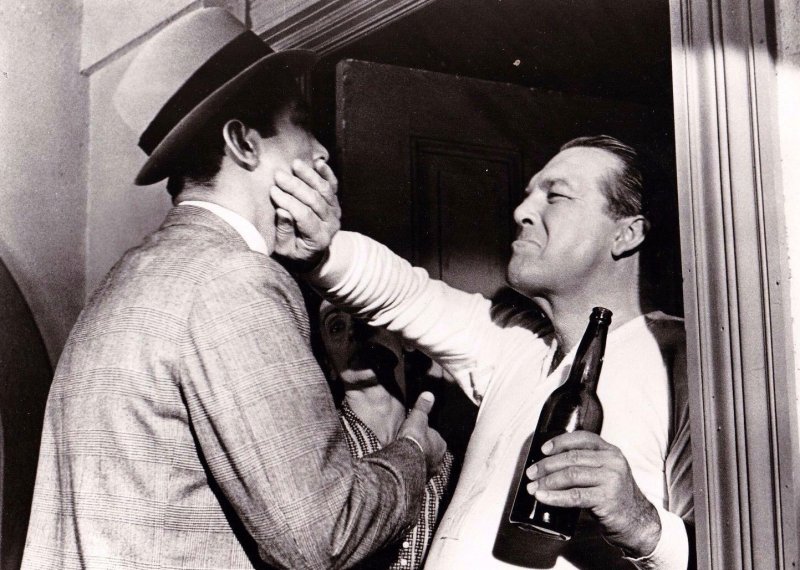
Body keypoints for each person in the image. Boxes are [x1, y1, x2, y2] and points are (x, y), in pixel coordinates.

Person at [20, 8, 445, 570]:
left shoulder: (128, 283)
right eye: (302, 123)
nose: (321, 151)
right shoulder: (234, 280)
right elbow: (325, 536)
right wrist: (415, 452)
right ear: (243, 143)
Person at [290, 135, 693, 568]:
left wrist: (643, 526)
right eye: (529, 194)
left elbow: (731, 544)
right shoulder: (512, 343)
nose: (521, 212)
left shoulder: (687, 360)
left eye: (556, 196)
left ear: (627, 234)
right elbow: (403, 293)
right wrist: (319, 248)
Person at [316, 300, 454, 569]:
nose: (355, 329)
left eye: (366, 312)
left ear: (405, 339)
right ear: (328, 364)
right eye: (336, 326)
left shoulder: (446, 461)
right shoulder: (320, 450)